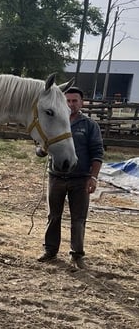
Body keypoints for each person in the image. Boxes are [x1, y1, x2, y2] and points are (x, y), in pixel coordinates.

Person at [38, 87, 104, 269]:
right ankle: (50, 251)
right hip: (56, 177)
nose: (71, 104)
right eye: (68, 101)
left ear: (82, 103)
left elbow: (97, 153)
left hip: (80, 179)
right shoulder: (54, 122)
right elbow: (39, 149)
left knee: (78, 219)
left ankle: (77, 255)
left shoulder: (89, 125)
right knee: (53, 216)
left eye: (75, 101)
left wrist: (93, 177)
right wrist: (42, 149)